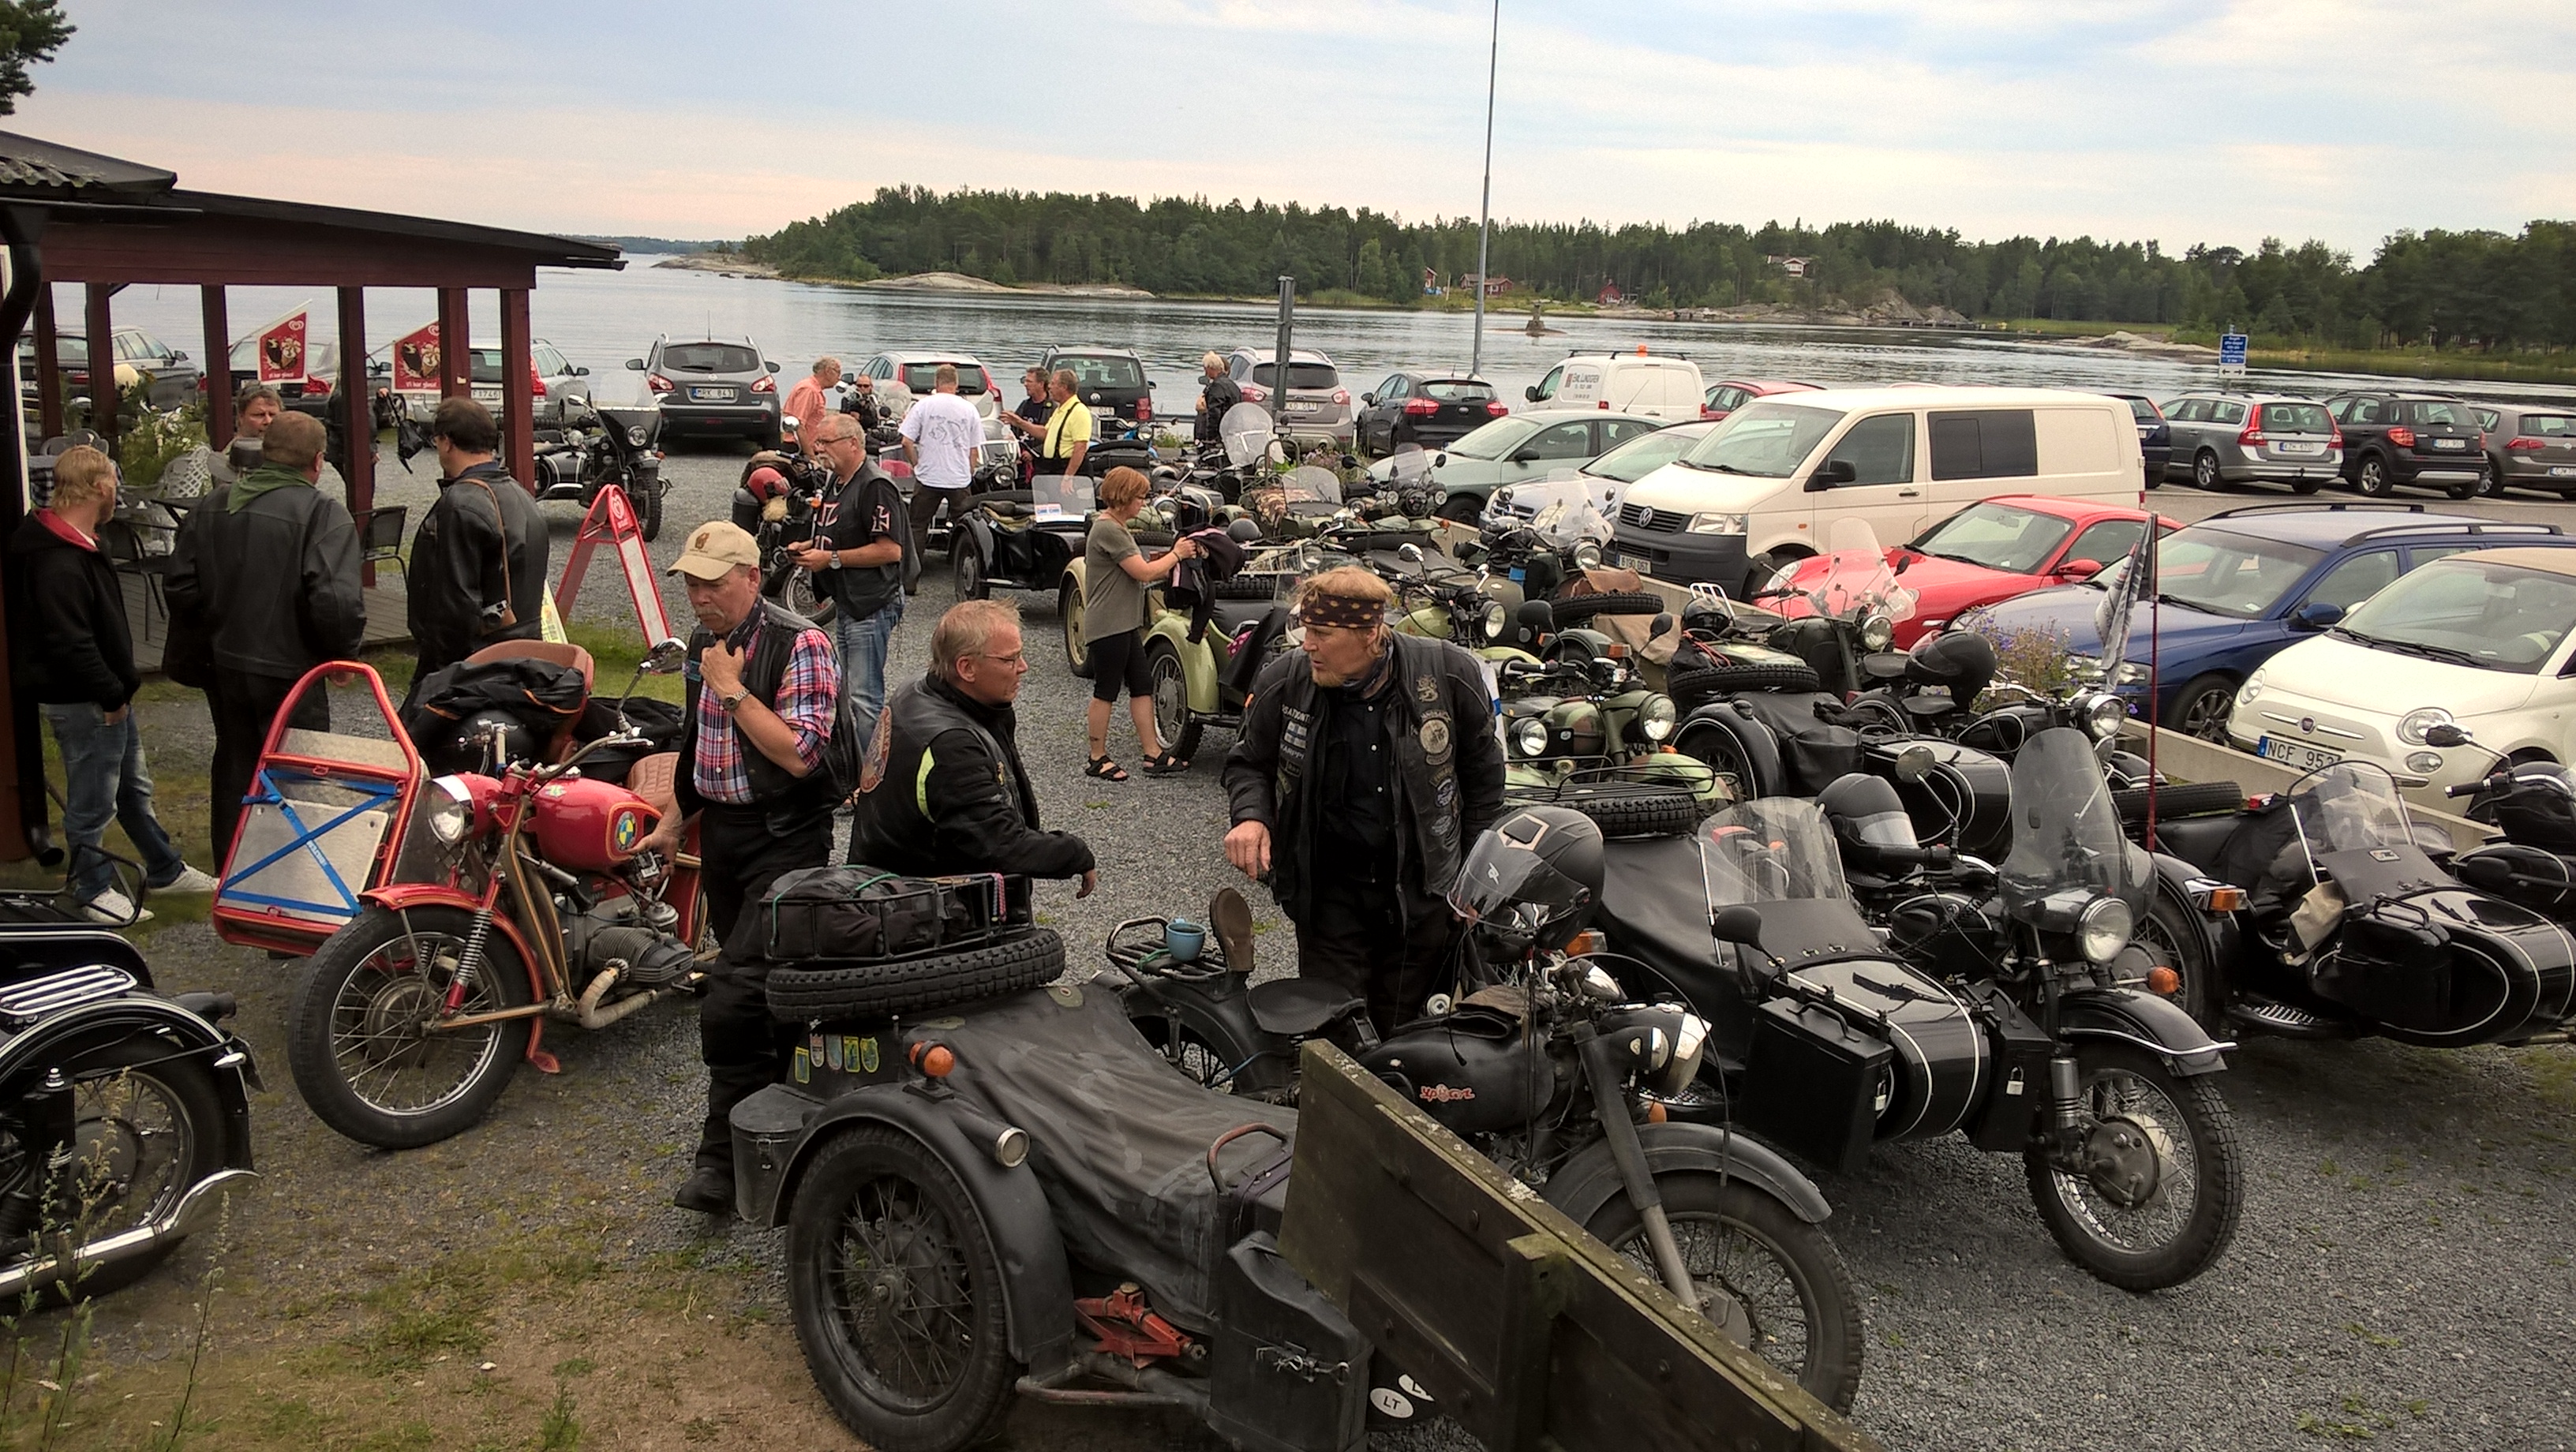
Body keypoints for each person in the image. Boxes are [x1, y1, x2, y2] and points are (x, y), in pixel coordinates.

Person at [639, 521, 843, 1216]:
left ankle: (719, 1162)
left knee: (731, 994)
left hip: (786, 837)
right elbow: (702, 745)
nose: (700, 597)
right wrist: (674, 820)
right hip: (725, 837)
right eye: (691, 584)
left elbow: (799, 755)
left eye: (713, 583)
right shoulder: (705, 642)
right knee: (766, 993)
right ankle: (785, 1127)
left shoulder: (801, 643)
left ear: (753, 578)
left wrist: (731, 688)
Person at [1221, 566, 1505, 1034]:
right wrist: (1252, 818)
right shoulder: (1287, 678)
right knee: (1335, 1031)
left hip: (1424, 897)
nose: (1307, 644)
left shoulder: (1449, 674)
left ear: (1371, 634)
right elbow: (1248, 762)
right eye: (1306, 629)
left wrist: (1474, 881)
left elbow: (1486, 784)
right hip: (1328, 897)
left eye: (1322, 633)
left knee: (1408, 1036)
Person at [8, 447, 218, 921]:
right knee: (92, 801)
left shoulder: (77, 543)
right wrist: (109, 693)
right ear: (101, 487)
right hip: (85, 699)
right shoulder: (56, 560)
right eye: (114, 483)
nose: (116, 491)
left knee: (131, 789)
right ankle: (92, 890)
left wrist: (116, 690)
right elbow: (70, 641)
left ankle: (164, 869)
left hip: (104, 695)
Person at [167, 410, 366, 859]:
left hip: (226, 664)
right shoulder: (323, 514)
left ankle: (232, 865)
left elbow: (179, 585)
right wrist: (342, 655)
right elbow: (336, 601)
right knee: (297, 772)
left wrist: (216, 629)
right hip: (293, 671)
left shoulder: (213, 505)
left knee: (235, 764)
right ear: (318, 461)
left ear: (264, 452)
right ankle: (292, 870)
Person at [849, 599, 1095, 893]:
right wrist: (1074, 854)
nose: (1023, 667)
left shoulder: (917, 690)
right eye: (1010, 660)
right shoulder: (952, 746)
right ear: (966, 668)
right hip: (925, 906)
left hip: (890, 884)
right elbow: (1000, 844)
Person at [406, 398, 548, 702]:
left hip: (473, 669)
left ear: (446, 442)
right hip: (520, 660)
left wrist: (436, 677)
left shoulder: (463, 502)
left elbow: (455, 604)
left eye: (437, 440)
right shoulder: (520, 494)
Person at [792, 413, 908, 750]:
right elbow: (839, 530)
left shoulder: (875, 485)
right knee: (845, 692)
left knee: (864, 698)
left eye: (826, 442)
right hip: (848, 601)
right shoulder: (837, 480)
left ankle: (872, 775)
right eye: (818, 442)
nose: (818, 449)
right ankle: (853, 763)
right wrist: (809, 546)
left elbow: (891, 550)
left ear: (853, 443)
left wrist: (830, 558)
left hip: (871, 603)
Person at [1081, 466, 1196, 780]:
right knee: (1106, 690)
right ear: (1123, 498)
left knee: (1142, 685)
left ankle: (1152, 753)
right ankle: (1096, 757)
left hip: (1124, 623)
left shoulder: (1117, 527)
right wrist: (1177, 554)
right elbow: (1143, 573)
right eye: (1140, 498)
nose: (1143, 504)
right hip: (1108, 624)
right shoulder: (1109, 529)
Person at [897, 362, 984, 541]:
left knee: (917, 525)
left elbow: (906, 442)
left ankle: (915, 560)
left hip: (929, 477)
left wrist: (917, 465)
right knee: (965, 526)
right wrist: (968, 472)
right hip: (958, 479)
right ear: (956, 383)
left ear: (936, 382)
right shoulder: (970, 409)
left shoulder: (923, 406)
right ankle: (960, 554)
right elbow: (974, 450)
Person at [212, 381, 285, 485]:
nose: (268, 421)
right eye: (259, 415)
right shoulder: (230, 462)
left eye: (273, 415)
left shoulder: (288, 454)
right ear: (241, 417)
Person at [1033, 369, 1092, 490]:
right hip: (1053, 468)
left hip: (1068, 470)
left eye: (1053, 383)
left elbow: (1080, 448)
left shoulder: (1079, 412)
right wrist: (1018, 422)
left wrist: (1068, 478)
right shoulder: (1060, 409)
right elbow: (1046, 433)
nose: (1049, 387)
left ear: (1064, 387)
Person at [784, 357, 839, 446]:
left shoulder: (814, 390)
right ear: (828, 371)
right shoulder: (809, 390)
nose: (839, 378)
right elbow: (799, 425)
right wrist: (809, 453)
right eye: (838, 372)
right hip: (797, 446)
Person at [1193, 352, 1243, 446]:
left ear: (1210, 368)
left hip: (1220, 433)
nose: (1205, 372)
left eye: (1205, 368)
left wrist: (1210, 439)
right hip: (1232, 431)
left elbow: (1214, 414)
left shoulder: (1216, 387)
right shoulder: (1232, 385)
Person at [998, 365, 1052, 441]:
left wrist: (1020, 422)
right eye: (1025, 381)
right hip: (1020, 445)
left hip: (1037, 448)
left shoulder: (1052, 408)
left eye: (1029, 382)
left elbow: (1048, 435)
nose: (1025, 384)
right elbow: (1015, 430)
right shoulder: (1025, 405)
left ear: (1041, 384)